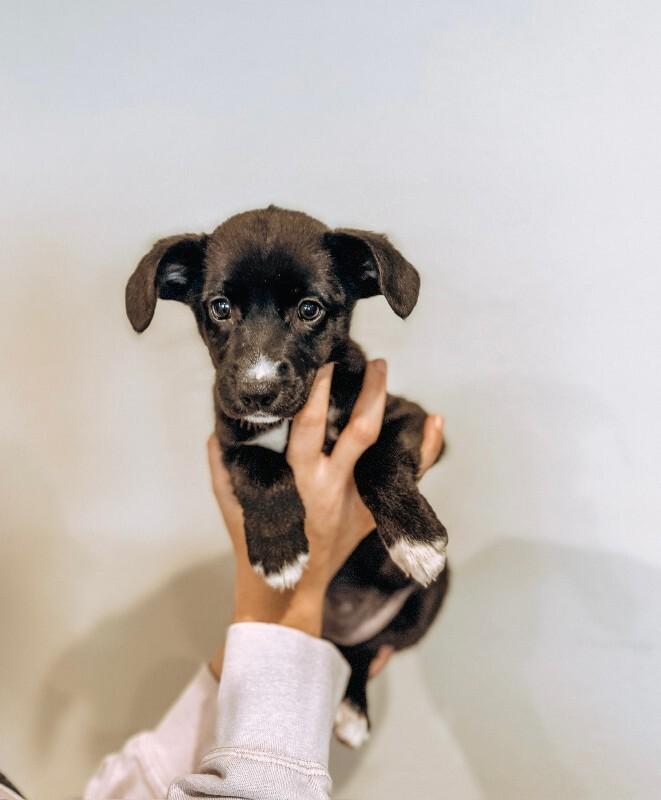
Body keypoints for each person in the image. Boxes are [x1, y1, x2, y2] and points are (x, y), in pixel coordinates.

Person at [80, 360, 444, 800]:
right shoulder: (240, 420)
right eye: (222, 309)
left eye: (308, 309)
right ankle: (356, 674)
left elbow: (418, 432)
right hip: (319, 611)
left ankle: (356, 674)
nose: (259, 368)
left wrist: (390, 490)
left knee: (427, 595)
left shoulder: (347, 381)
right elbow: (242, 460)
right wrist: (295, 589)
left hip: (384, 592)